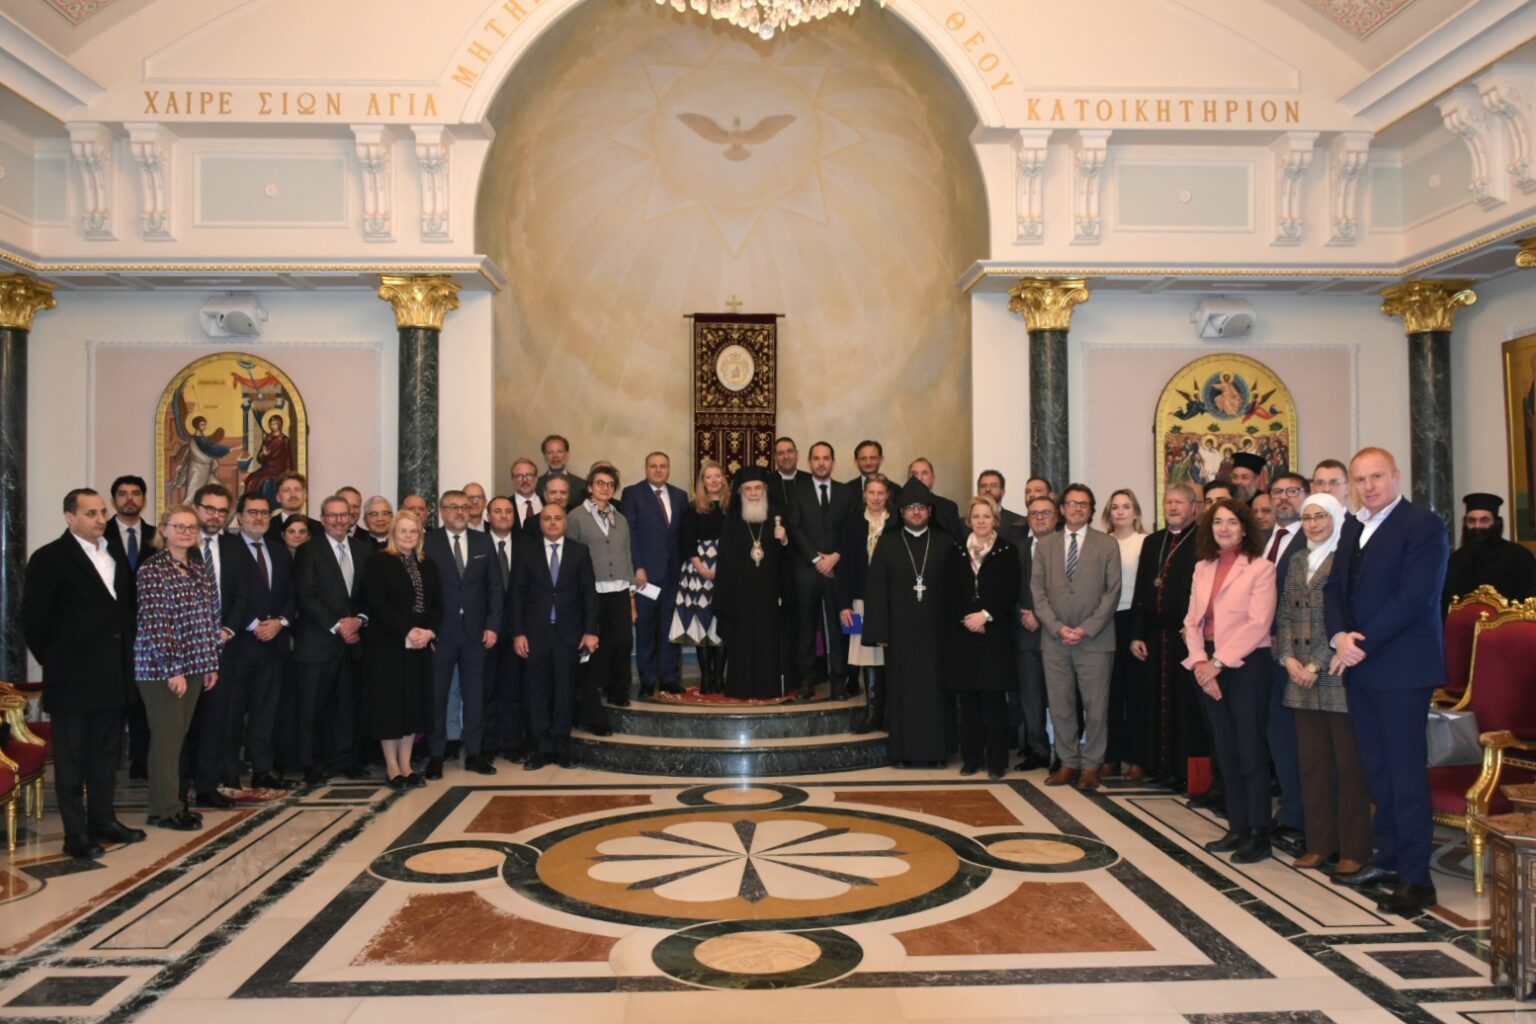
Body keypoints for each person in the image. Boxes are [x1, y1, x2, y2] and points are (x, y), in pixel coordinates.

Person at [1324, 447, 1450, 916]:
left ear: (1396, 477)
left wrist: (1360, 642)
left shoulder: (1423, 525)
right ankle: (1390, 859)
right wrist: (1339, 636)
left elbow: (1415, 598)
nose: (1369, 486)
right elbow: (1334, 589)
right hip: (1360, 665)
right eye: (1360, 479)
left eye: (1377, 476)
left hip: (1402, 668)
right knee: (1377, 770)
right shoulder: (1353, 525)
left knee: (1404, 772)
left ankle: (1417, 879)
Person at [23, 488, 144, 858]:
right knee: (72, 760)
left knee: (106, 755)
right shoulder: (49, 558)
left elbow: (125, 610)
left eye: (102, 512)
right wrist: (59, 661)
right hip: (73, 678)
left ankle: (103, 820)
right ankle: (75, 834)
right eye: (91, 513)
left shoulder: (113, 553)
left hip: (114, 674)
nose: (100, 519)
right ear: (70, 517)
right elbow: (34, 621)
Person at [1276, 493, 1371, 876]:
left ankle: (1354, 849)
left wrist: (1314, 663)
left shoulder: (1347, 559)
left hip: (1335, 673)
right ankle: (1319, 844)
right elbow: (1283, 614)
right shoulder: (1297, 559)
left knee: (1348, 767)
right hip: (1299, 677)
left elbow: (1345, 616)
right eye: (1308, 517)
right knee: (1311, 764)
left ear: (1337, 519)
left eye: (1322, 517)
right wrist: (1288, 659)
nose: (1314, 524)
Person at [1182, 497, 1277, 864]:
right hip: (1207, 663)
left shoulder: (1260, 568)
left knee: (1249, 749)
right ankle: (1237, 826)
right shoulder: (1202, 567)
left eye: (1232, 522)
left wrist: (1217, 663)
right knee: (1225, 749)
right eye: (1218, 522)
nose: (1224, 528)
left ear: (1245, 528)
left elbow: (1258, 624)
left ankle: (1259, 833)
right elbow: (1192, 621)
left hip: (1246, 664)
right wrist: (1200, 663)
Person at [135, 504, 223, 831]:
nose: (186, 532)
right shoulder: (152, 570)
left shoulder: (198, 568)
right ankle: (167, 809)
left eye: (191, 527)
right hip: (161, 669)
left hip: (196, 665)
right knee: (167, 739)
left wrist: (210, 662)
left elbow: (208, 618)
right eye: (179, 526)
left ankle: (166, 804)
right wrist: (173, 669)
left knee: (176, 738)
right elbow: (157, 622)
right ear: (164, 530)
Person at [1033, 484, 1121, 790]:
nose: (1077, 508)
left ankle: (1091, 766)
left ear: (1092, 509)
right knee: (1061, 706)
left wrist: (1087, 628)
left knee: (1096, 707)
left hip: (1095, 640)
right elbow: (1038, 592)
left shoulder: (1107, 544)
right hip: (1055, 641)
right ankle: (1068, 762)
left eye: (1084, 504)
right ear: (1062, 509)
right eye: (1072, 503)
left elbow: (1112, 592)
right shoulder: (1045, 546)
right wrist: (1057, 627)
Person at [863, 479, 956, 765]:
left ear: (930, 511)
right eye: (910, 507)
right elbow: (876, 590)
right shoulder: (888, 543)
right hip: (899, 635)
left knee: (935, 693)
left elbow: (956, 591)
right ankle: (901, 753)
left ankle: (938, 753)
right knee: (902, 693)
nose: (916, 512)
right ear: (901, 511)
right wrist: (879, 632)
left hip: (937, 634)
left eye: (921, 507)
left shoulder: (945, 542)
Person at [1128, 483, 1206, 790]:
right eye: (1168, 502)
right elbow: (1140, 590)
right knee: (1153, 703)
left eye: (1179, 502)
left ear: (1193, 507)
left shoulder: (1202, 540)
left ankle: (1181, 769)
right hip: (1153, 635)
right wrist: (1136, 633)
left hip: (1183, 637)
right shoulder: (1153, 541)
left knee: (1182, 706)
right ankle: (1157, 765)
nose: (1172, 507)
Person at [291, 494, 374, 785]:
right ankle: (311, 763)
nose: (339, 521)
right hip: (318, 642)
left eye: (343, 515)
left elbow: (370, 595)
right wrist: (340, 625)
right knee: (312, 708)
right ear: (323, 519)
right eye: (332, 515)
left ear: (351, 518)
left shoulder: (364, 550)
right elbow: (306, 595)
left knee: (348, 706)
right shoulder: (308, 551)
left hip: (353, 643)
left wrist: (359, 620)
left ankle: (345, 760)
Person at [421, 489, 503, 777]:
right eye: (453, 507)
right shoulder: (428, 542)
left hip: (475, 633)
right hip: (440, 634)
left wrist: (493, 625)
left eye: (464, 507)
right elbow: (422, 590)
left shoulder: (483, 541)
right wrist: (427, 630)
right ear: (442, 511)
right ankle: (435, 755)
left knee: (475, 695)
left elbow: (495, 587)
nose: (459, 512)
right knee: (437, 696)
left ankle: (475, 754)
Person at [512, 504, 599, 770]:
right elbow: (517, 594)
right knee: (537, 691)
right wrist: (518, 632)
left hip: (569, 634)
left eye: (557, 518)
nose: (552, 522)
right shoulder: (526, 551)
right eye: (547, 518)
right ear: (540, 523)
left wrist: (590, 630)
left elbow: (589, 593)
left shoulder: (579, 552)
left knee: (565, 691)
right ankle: (540, 748)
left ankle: (561, 747)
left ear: (565, 523)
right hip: (535, 634)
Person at [360, 512, 441, 789]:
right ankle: (393, 768)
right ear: (393, 533)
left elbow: (438, 604)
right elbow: (378, 604)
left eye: (413, 531)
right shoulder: (379, 562)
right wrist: (408, 630)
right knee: (391, 708)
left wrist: (429, 632)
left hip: (418, 646)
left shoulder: (428, 565)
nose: (408, 536)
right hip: (388, 646)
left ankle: (407, 765)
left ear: (420, 535)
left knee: (413, 707)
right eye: (403, 531)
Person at [224, 491, 297, 791]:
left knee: (266, 711)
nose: (259, 518)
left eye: (264, 513)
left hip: (274, 643)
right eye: (252, 512)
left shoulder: (279, 551)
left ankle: (263, 768)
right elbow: (226, 596)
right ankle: (228, 770)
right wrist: (254, 624)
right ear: (239, 517)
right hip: (240, 643)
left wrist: (280, 622)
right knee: (231, 712)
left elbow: (292, 593)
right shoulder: (227, 549)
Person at [946, 496, 1019, 779]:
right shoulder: (956, 550)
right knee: (969, 702)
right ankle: (972, 759)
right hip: (964, 635)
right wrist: (968, 618)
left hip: (994, 635)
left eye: (986, 516)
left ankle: (997, 762)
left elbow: (1010, 590)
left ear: (995, 519)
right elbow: (949, 591)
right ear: (969, 519)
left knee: (994, 702)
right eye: (976, 516)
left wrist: (986, 615)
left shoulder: (1007, 550)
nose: (981, 521)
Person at [189, 484, 249, 809]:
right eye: (210, 509)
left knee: (217, 719)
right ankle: (178, 787)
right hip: (186, 652)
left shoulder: (234, 546)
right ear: (196, 508)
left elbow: (242, 595)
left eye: (222, 511)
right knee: (185, 722)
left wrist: (228, 629)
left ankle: (207, 785)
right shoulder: (181, 544)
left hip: (224, 647)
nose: (215, 516)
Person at [565, 465, 639, 724]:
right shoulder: (575, 516)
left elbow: (627, 556)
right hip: (591, 591)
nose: (605, 488)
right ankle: (592, 692)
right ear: (590, 486)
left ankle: (619, 690)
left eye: (610, 484)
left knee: (623, 642)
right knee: (595, 644)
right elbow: (570, 555)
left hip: (619, 590)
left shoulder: (621, 518)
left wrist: (632, 598)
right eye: (600, 483)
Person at [787, 442, 857, 700]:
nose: (821, 463)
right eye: (816, 458)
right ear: (809, 462)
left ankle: (838, 681)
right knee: (806, 628)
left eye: (826, 458)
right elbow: (795, 528)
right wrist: (817, 559)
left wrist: (836, 556)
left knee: (838, 628)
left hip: (837, 570)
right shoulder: (798, 492)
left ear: (833, 462)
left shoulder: (846, 492)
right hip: (807, 570)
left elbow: (851, 530)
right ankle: (807, 681)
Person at [714, 468, 791, 699]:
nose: (754, 493)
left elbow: (789, 557)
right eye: (748, 489)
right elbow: (725, 560)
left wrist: (784, 539)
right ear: (741, 493)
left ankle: (769, 687)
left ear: (765, 490)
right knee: (742, 640)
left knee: (769, 639)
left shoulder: (777, 515)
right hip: (741, 593)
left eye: (758, 488)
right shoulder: (733, 520)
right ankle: (741, 686)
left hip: (770, 591)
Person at [1264, 472, 1311, 852]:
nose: (1284, 498)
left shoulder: (1313, 538)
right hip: (1266, 652)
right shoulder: (1265, 539)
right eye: (1277, 492)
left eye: (1292, 491)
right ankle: (1290, 810)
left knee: (1302, 738)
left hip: (1301, 654)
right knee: (1278, 734)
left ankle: (1304, 816)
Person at [836, 475, 898, 731]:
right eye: (871, 492)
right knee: (868, 655)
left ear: (888, 495)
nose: (875, 497)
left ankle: (892, 715)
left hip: (892, 599)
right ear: (864, 495)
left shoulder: (896, 523)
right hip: (861, 598)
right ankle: (873, 714)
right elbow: (845, 567)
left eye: (880, 493)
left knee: (891, 657)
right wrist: (844, 604)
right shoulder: (852, 524)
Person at [624, 451, 687, 696]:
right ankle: (648, 679)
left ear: (668, 469)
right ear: (646, 468)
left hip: (673, 575)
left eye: (663, 466)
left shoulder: (680, 496)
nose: (658, 470)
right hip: (646, 577)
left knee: (670, 628)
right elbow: (630, 534)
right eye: (653, 466)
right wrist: (637, 566)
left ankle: (669, 677)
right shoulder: (633, 494)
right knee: (646, 629)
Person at [104, 473, 154, 779]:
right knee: (113, 696)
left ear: (144, 499)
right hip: (111, 630)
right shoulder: (100, 534)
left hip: (148, 630)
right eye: (123, 494)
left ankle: (141, 758)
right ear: (114, 500)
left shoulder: (157, 535)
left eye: (136, 493)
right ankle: (108, 760)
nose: (129, 499)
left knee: (143, 697)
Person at [1101, 488, 1147, 779]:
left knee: (1136, 692)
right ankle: (1112, 755)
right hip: (1106, 619)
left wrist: (1139, 629)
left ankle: (1137, 758)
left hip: (1135, 620)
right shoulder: (1101, 542)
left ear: (1135, 512)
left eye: (1126, 506)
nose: (1120, 512)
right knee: (1111, 692)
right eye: (1115, 507)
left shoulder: (1144, 542)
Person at [670, 461, 727, 692]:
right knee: (702, 623)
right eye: (708, 477)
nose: (713, 480)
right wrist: (701, 567)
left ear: (723, 478)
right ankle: (706, 678)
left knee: (722, 622)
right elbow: (686, 541)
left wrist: (725, 567)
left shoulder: (732, 506)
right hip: (698, 569)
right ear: (702, 481)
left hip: (726, 569)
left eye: (717, 476)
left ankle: (719, 678)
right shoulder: (693, 507)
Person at [1012, 494, 1060, 771]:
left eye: (1046, 513)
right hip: (1025, 633)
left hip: (1057, 634)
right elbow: (1008, 588)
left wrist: (1041, 617)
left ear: (1056, 517)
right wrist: (1022, 613)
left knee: (1060, 697)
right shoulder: (1018, 549)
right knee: (1031, 698)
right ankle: (1039, 750)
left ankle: (1063, 753)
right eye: (1034, 513)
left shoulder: (1066, 549)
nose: (1040, 518)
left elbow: (1071, 593)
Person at [484, 495, 525, 761]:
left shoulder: (526, 546)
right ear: (488, 516)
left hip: (517, 630)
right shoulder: (478, 544)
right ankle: (487, 746)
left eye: (508, 511)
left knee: (513, 690)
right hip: (486, 629)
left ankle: (512, 744)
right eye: (497, 511)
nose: (503, 515)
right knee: (486, 690)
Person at [1443, 492, 1536, 607]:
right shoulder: (1457, 559)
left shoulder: (1520, 557)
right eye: (1472, 521)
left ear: (1496, 523)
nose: (1477, 526)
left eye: (1484, 520)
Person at [771, 437, 811, 689]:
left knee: (806, 619)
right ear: (775, 457)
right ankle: (782, 669)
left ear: (796, 454)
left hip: (808, 560)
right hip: (778, 561)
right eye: (780, 453)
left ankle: (807, 673)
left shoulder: (809, 481)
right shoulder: (767, 483)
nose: (785, 456)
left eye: (789, 452)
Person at [908, 458, 964, 538]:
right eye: (914, 474)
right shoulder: (898, 506)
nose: (919, 478)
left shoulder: (949, 507)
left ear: (933, 478)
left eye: (924, 473)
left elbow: (956, 540)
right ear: (908, 479)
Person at [266, 472, 319, 543]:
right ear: (278, 497)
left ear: (305, 495)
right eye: (286, 490)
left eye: (297, 489)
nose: (293, 495)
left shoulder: (319, 529)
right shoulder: (266, 527)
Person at [537, 434, 588, 508]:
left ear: (567, 455)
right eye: (550, 452)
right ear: (544, 456)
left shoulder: (582, 485)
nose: (555, 456)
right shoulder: (535, 485)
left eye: (559, 452)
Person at [976, 470, 1025, 539]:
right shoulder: (963, 524)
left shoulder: (1018, 522)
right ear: (978, 491)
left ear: (1002, 492)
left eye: (993, 486)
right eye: (983, 486)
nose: (988, 489)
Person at [509, 458, 545, 538]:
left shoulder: (548, 503)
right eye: (519, 476)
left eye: (529, 475)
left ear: (536, 479)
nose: (525, 480)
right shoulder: (506, 505)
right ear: (513, 480)